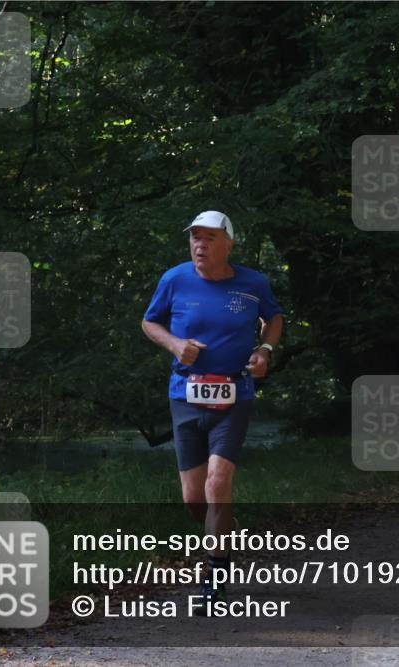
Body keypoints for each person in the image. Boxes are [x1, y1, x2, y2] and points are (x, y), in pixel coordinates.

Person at [141, 210, 283, 610]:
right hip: (185, 396)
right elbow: (150, 322)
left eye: (208, 238)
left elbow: (273, 317)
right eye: (195, 238)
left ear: (229, 244)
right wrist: (173, 344)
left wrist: (265, 349)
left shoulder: (253, 283)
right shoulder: (175, 278)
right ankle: (222, 529)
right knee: (193, 499)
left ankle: (214, 579)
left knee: (218, 484)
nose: (199, 245)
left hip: (234, 395)